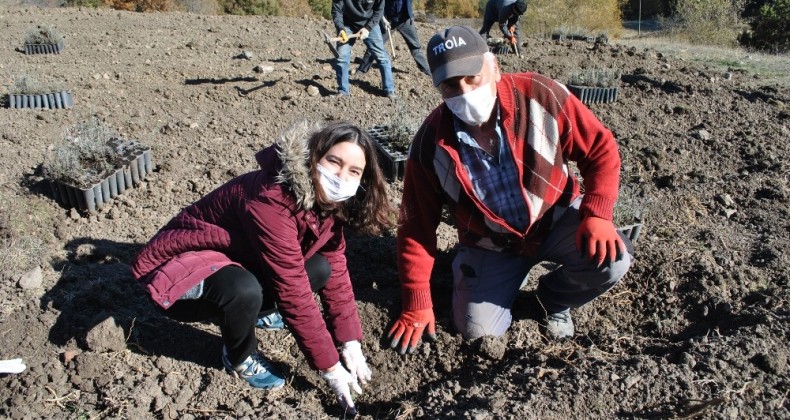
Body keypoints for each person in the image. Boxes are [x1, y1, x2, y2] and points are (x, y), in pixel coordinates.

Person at [387, 26, 634, 354]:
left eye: (471, 77)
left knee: (612, 261)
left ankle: (553, 300)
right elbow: (416, 229)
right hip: (491, 244)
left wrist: (597, 212)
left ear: (494, 68)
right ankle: (475, 271)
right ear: (438, 88)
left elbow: (600, 148)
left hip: (556, 219)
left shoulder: (539, 96)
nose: (464, 92)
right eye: (450, 85)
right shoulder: (430, 145)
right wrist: (417, 301)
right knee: (478, 333)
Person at [132, 121, 394, 415]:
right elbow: (292, 290)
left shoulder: (330, 203)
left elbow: (336, 267)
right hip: (180, 276)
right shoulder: (272, 198)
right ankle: (239, 356)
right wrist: (330, 368)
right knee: (243, 291)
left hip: (237, 258)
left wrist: (349, 342)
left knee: (320, 268)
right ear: (314, 156)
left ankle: (259, 313)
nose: (341, 176)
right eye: (334, 161)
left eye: (354, 171)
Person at [332, 0, 396, 99]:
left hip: (369, 22)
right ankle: (343, 91)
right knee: (341, 57)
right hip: (347, 23)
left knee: (381, 57)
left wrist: (368, 28)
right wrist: (340, 28)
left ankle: (389, 89)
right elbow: (337, 9)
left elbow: (379, 10)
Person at [356, 0, 431, 76]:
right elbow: (378, 4)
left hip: (405, 20)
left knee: (415, 47)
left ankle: (427, 70)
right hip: (388, 21)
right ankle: (362, 69)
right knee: (375, 44)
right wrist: (383, 20)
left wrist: (411, 16)